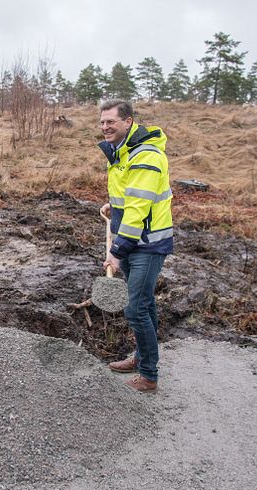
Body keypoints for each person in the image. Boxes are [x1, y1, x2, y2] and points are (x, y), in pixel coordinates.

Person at [96, 100, 173, 393]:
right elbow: (129, 197)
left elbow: (139, 209)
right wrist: (113, 207)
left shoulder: (146, 156)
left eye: (111, 122)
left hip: (147, 244)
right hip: (132, 241)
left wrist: (116, 251)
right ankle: (141, 358)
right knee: (145, 303)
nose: (105, 127)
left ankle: (149, 375)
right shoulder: (121, 152)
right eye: (102, 122)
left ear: (128, 122)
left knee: (135, 308)